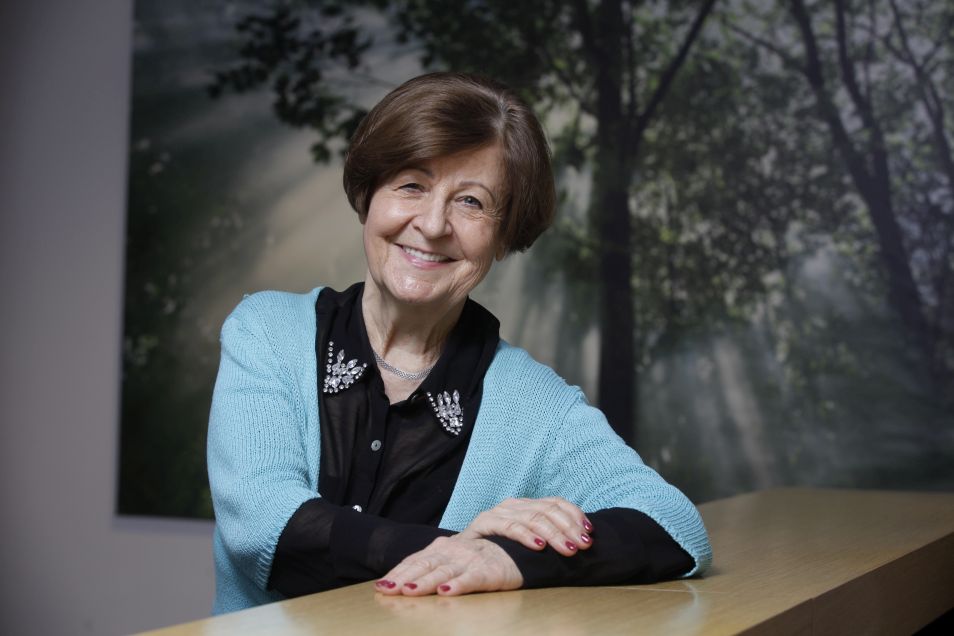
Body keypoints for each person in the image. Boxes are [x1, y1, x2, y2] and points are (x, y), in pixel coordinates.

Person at [207, 72, 711, 614]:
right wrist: (463, 548)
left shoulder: (535, 404)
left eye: (471, 202)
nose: (432, 224)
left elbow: (675, 526)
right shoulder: (266, 332)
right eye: (411, 185)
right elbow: (264, 525)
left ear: (504, 236)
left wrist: (508, 559)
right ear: (368, 197)